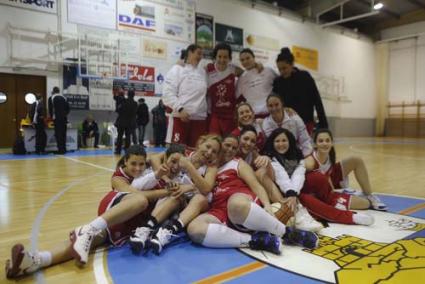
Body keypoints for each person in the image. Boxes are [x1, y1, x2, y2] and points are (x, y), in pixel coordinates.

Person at [5, 145, 175, 279]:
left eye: (141, 164)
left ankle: (33, 260)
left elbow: (157, 157)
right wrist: (165, 190)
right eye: (133, 164)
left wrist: (166, 176)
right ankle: (87, 229)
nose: (137, 168)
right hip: (115, 210)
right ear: (125, 163)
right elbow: (136, 193)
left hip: (126, 225)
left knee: (82, 244)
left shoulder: (156, 175)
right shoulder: (118, 177)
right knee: (140, 200)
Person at [186, 135, 319, 254]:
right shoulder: (206, 167)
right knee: (194, 229)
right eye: (227, 145)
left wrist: (267, 204)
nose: (230, 149)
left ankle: (288, 233)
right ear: (220, 147)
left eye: (234, 147)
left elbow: (256, 186)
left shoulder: (237, 163)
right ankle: (254, 240)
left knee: (235, 204)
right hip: (219, 209)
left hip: (241, 201)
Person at [130, 135, 221, 254]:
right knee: (174, 193)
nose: (209, 152)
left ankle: (167, 230)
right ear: (200, 144)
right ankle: (147, 229)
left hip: (191, 204)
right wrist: (167, 180)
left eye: (214, 151)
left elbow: (206, 189)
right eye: (208, 146)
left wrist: (188, 168)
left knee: (197, 198)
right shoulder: (183, 152)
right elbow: (154, 159)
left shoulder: (210, 168)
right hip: (172, 197)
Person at [263, 128, 374, 226]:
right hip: (288, 193)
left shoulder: (296, 154)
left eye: (284, 140)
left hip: (298, 190)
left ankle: (333, 203)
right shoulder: (271, 157)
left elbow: (299, 175)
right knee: (310, 196)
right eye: (277, 141)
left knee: (318, 177)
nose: (281, 143)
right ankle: (350, 217)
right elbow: (282, 177)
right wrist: (291, 193)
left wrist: (293, 191)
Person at [304, 128, 387, 210]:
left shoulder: (329, 157)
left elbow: (328, 176)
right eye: (321, 141)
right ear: (315, 144)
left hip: (329, 183)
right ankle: (353, 197)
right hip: (320, 192)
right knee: (364, 204)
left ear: (332, 143)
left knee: (356, 160)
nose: (325, 143)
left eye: (327, 140)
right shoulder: (310, 162)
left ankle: (369, 195)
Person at [273, 47, 328, 135]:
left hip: (306, 122)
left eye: (284, 68)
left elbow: (317, 100)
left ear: (292, 64)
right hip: (286, 123)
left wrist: (324, 125)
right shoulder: (278, 82)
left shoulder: (305, 77)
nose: (282, 72)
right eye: (279, 69)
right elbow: (274, 103)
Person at [162, 44, 208, 148]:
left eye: (202, 54)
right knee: (176, 152)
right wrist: (180, 109)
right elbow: (167, 93)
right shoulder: (177, 69)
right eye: (198, 53)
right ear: (190, 53)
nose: (200, 57)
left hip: (199, 119)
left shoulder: (203, 72)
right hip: (180, 117)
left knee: (196, 152)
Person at [236, 48, 277, 118]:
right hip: (254, 115)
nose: (245, 61)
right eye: (242, 60)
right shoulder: (241, 79)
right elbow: (236, 97)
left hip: (272, 112)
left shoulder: (268, 71)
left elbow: (281, 84)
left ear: (254, 58)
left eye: (248, 58)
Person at [115, 89, 138, 154]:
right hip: (130, 122)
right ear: (134, 95)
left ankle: (118, 150)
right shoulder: (135, 104)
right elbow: (134, 113)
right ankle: (127, 150)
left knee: (120, 136)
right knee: (128, 137)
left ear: (127, 94)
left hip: (122, 122)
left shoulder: (123, 101)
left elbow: (118, 110)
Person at [48, 86, 70, 154]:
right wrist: (64, 114)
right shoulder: (64, 97)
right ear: (59, 91)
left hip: (57, 118)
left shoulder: (51, 98)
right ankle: (64, 149)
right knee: (63, 133)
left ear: (53, 91)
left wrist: (52, 117)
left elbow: (50, 109)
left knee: (58, 134)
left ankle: (60, 150)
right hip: (64, 118)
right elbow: (68, 108)